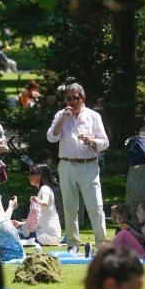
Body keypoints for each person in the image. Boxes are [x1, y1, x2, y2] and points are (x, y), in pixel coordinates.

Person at [47, 83, 109, 248]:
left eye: (75, 98)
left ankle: (101, 243)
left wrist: (92, 141)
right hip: (67, 165)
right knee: (69, 207)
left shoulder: (93, 116)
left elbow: (105, 142)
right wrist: (63, 120)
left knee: (95, 206)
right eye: (68, 98)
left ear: (83, 99)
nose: (72, 101)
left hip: (89, 166)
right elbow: (51, 137)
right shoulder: (61, 115)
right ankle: (73, 243)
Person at [26, 164, 62, 245]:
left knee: (16, 233)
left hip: (46, 236)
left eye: (32, 173)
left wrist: (37, 199)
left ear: (40, 175)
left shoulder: (44, 188)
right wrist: (20, 223)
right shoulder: (45, 188)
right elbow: (38, 219)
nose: (29, 176)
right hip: (50, 236)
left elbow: (45, 202)